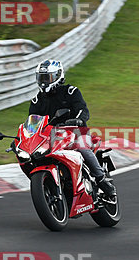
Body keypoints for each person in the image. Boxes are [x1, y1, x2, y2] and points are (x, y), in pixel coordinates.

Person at [28, 59, 116, 197]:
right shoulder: (37, 101)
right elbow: (33, 124)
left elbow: (82, 109)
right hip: (51, 137)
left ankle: (101, 180)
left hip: (76, 131)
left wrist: (78, 119)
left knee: (82, 148)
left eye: (47, 78)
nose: (44, 82)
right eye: (41, 78)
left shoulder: (70, 92)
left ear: (58, 76)